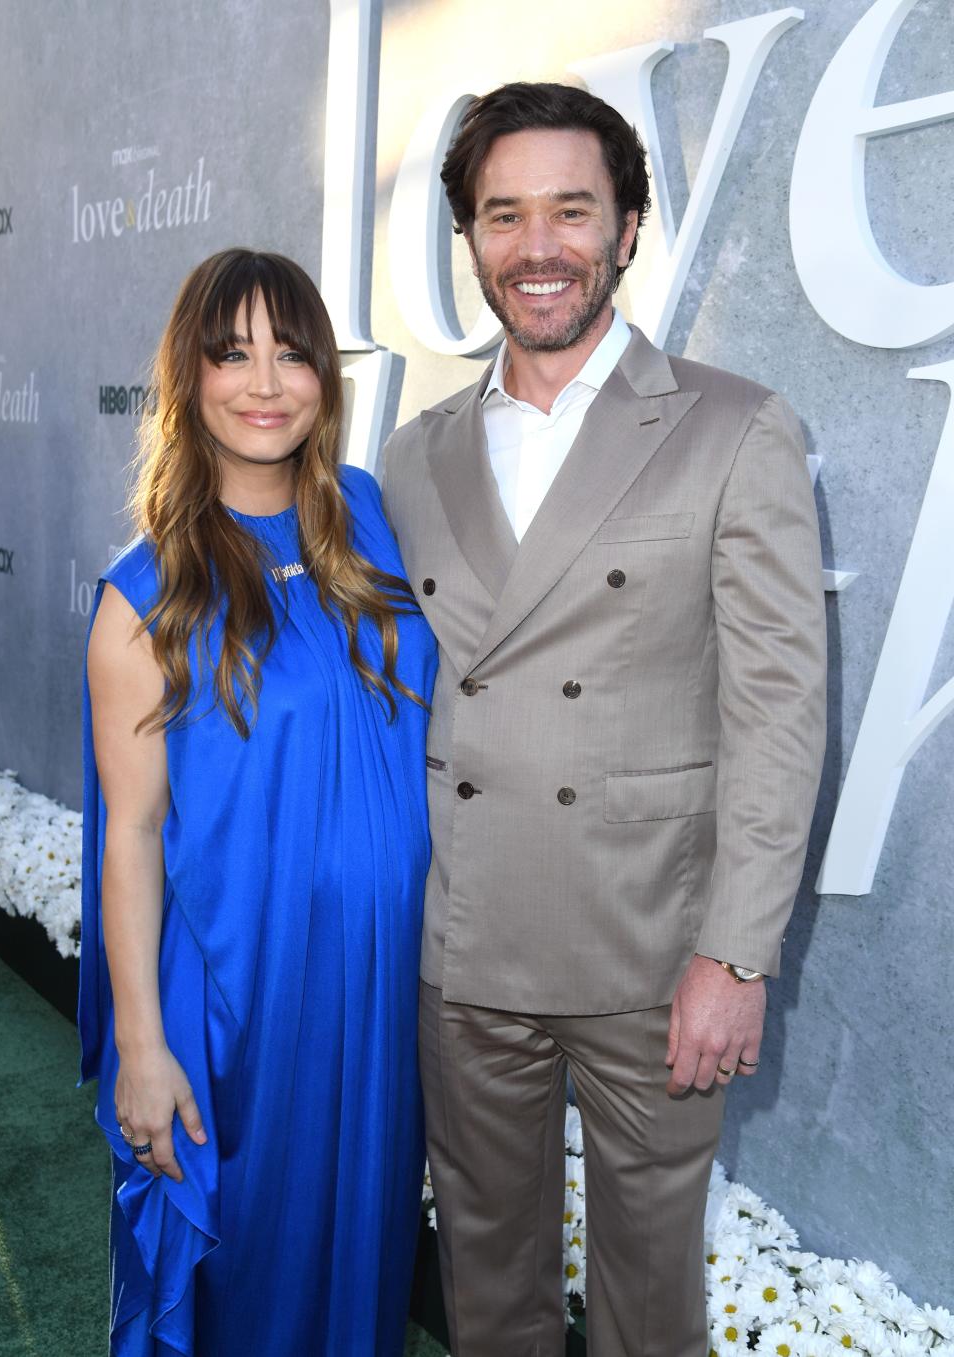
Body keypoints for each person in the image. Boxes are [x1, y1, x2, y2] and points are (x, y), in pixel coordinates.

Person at [382, 82, 827, 1357]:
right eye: (504, 214)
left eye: (571, 210)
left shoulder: (734, 428)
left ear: (628, 228)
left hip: (652, 956)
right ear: (470, 237)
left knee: (647, 1304)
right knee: (488, 1281)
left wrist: (735, 957)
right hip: (466, 953)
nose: (538, 248)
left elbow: (781, 710)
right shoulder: (416, 454)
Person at [78, 248, 437, 1355]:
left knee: (359, 1251)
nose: (266, 381)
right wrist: (142, 1041)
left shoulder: (370, 520)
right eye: (233, 353)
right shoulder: (147, 597)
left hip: (373, 997)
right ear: (188, 378)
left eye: (293, 352)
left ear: (329, 376)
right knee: (249, 1271)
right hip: (239, 999)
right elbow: (131, 836)